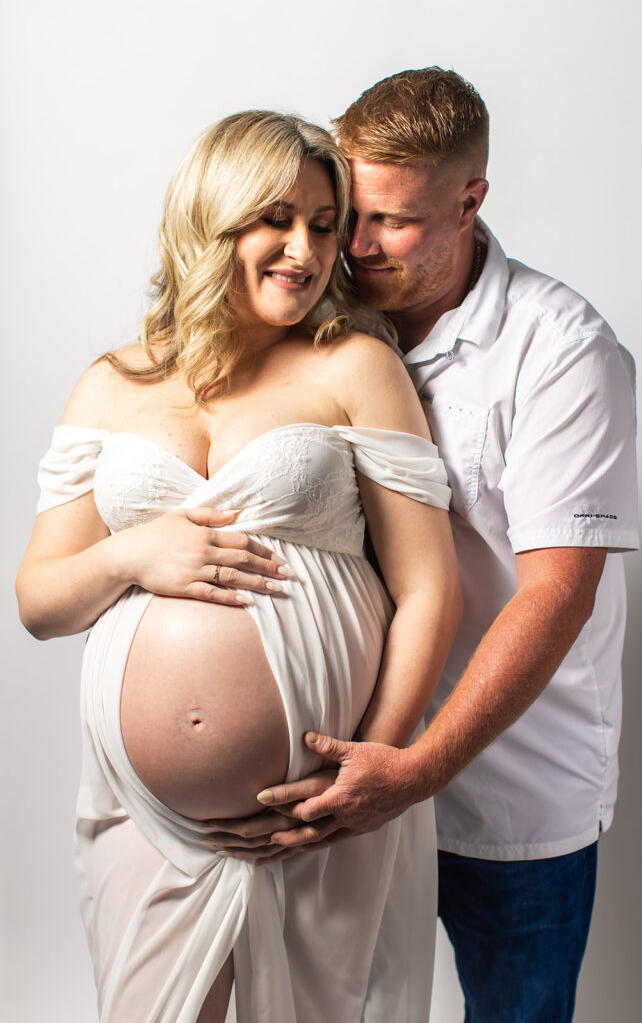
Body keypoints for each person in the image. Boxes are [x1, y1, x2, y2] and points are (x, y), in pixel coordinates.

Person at [15, 110, 463, 1022]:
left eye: (326, 223)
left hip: (318, 813)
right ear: (210, 221)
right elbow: (39, 601)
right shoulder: (111, 383)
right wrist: (134, 551)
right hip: (149, 822)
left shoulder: (354, 365)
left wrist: (368, 764)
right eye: (277, 219)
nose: (307, 249)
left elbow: (428, 586)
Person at [215, 70, 640, 1022]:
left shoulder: (563, 350)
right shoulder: (321, 313)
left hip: (506, 787)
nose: (355, 248)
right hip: (336, 772)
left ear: (470, 201)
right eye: (346, 218)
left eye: (393, 224)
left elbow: (556, 595)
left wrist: (418, 768)